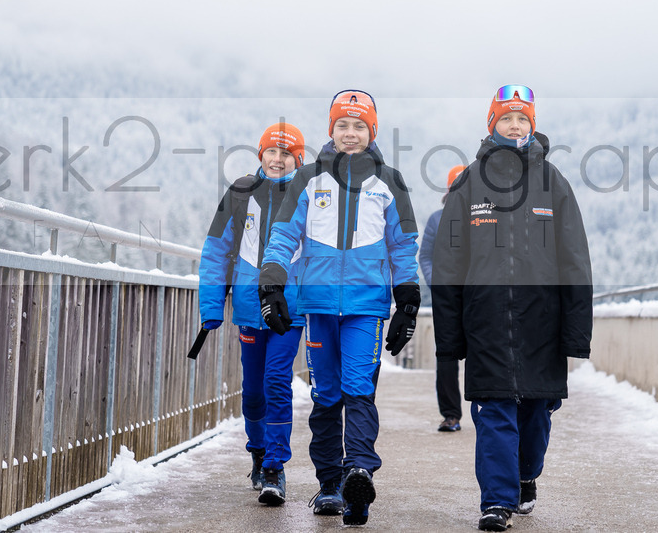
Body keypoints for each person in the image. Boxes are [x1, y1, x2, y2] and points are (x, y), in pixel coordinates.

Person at [431, 85, 593, 532]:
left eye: (523, 118)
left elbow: (575, 258)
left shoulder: (553, 182)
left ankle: (526, 477)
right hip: (485, 322)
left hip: (543, 321)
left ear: (532, 124)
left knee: (536, 413)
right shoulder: (469, 183)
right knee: (494, 411)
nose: (515, 125)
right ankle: (497, 500)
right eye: (506, 118)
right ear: (492, 124)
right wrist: (450, 338)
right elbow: (448, 264)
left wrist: (577, 332)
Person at [257, 89, 420, 526]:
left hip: (367, 307)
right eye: (342, 126)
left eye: (359, 126)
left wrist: (407, 300)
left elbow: (404, 245)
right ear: (331, 130)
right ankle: (330, 484)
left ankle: (359, 473)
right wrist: (272, 283)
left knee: (358, 388)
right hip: (319, 305)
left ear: (372, 131)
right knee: (326, 395)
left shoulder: (391, 182)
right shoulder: (308, 178)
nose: (351, 134)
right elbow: (283, 234)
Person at [198, 122, 307, 507]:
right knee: (253, 389)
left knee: (278, 380)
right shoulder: (241, 191)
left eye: (286, 153)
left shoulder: (308, 192)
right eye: (271, 152)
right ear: (261, 154)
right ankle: (258, 453)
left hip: (291, 308)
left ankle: (275, 467)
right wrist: (211, 305)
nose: (277, 160)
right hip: (248, 306)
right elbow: (215, 250)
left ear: (299, 157)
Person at [418, 164, 467, 432]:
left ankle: (484, 408)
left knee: (481, 352)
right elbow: (424, 255)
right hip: (446, 296)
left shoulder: (481, 216)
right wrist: (436, 281)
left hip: (477, 294)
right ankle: (451, 414)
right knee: (447, 355)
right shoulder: (437, 219)